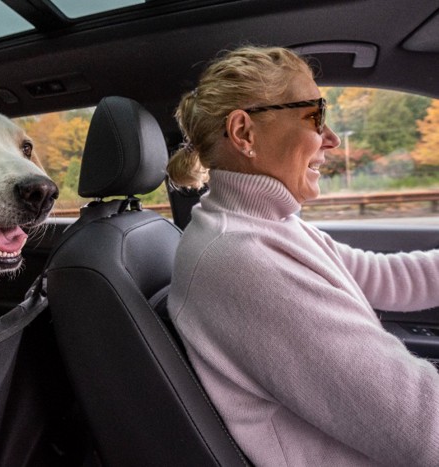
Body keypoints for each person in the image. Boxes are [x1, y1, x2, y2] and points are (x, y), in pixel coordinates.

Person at [166, 45, 439, 466]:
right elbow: (424, 427)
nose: (330, 138)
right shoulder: (242, 260)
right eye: (315, 116)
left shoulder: (267, 226)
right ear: (244, 134)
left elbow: (389, 278)